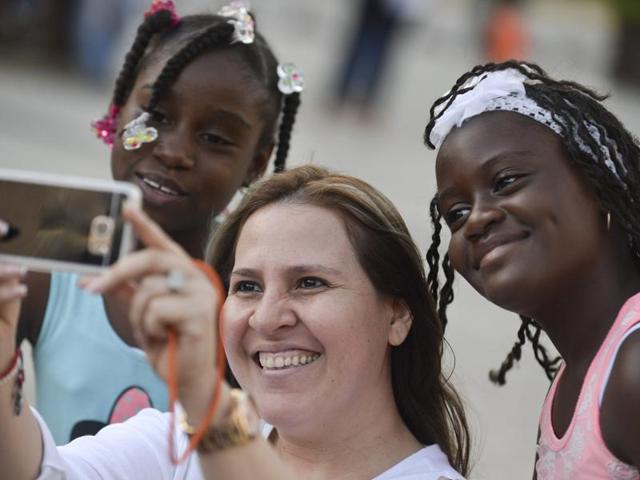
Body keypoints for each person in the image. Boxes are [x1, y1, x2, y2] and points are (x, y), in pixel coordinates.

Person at [0, 165, 470, 479]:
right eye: (247, 286)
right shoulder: (177, 444)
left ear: (398, 314)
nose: (267, 318)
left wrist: (206, 397)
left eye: (309, 283)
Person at [16, 0, 302, 444]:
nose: (174, 151)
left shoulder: (250, 306)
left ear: (256, 164)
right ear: (119, 106)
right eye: (156, 115)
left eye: (214, 138)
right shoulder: (50, 269)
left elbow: (261, 450)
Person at [423, 60, 640, 477]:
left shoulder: (634, 367)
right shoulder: (580, 378)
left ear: (598, 184)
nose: (476, 219)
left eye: (505, 181)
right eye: (456, 213)